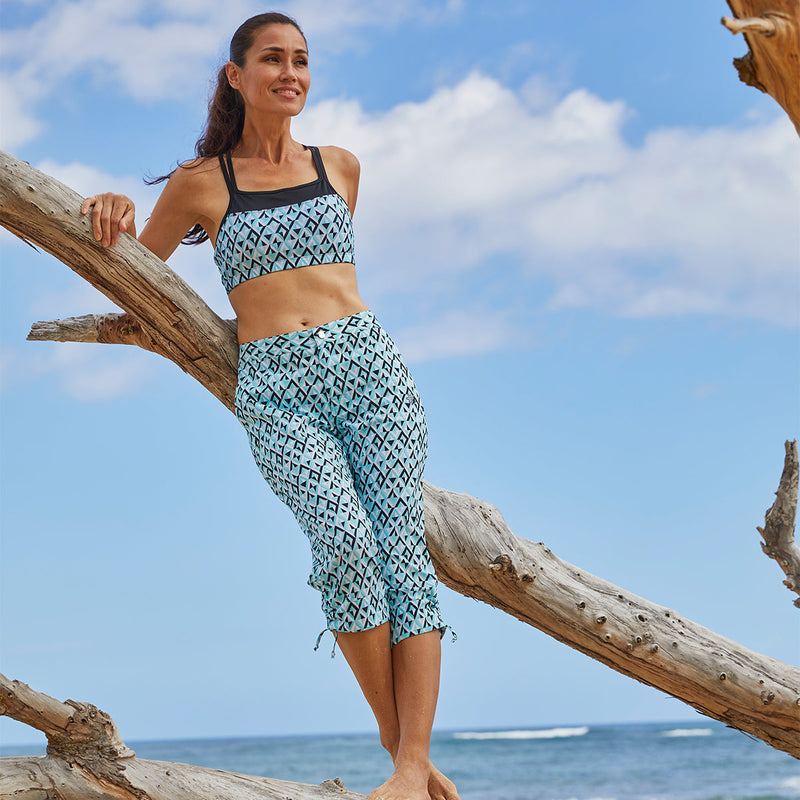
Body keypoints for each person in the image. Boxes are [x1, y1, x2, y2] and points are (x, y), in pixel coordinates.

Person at [81, 12, 459, 800]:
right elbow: (131, 281)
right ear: (236, 75)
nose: (290, 73)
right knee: (346, 546)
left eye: (302, 61)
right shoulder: (200, 184)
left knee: (403, 553)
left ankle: (410, 764)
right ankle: (408, 760)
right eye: (273, 60)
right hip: (278, 388)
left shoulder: (343, 166)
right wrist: (111, 211)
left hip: (370, 371)